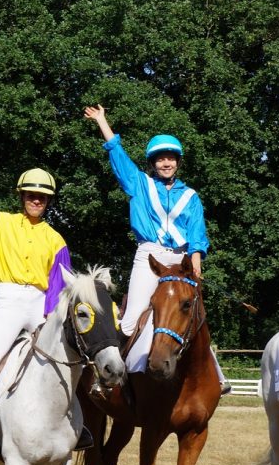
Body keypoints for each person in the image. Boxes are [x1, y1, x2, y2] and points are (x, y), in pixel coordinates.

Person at [0, 148, 92, 459]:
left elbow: (58, 286)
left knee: (67, 355)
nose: (37, 200)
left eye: (43, 197)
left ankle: (77, 425)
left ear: (49, 202)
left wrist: (51, 317)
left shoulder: (56, 240)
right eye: (32, 194)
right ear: (21, 196)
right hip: (8, 299)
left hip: (40, 302)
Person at [82, 104, 210, 336]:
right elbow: (118, 155)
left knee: (192, 319)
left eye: (171, 158)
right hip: (149, 256)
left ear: (178, 162)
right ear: (153, 163)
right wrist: (102, 120)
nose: (166, 163)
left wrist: (196, 259)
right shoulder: (140, 184)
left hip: (181, 260)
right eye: (160, 159)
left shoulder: (191, 196)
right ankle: (120, 370)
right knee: (131, 321)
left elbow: (197, 232)